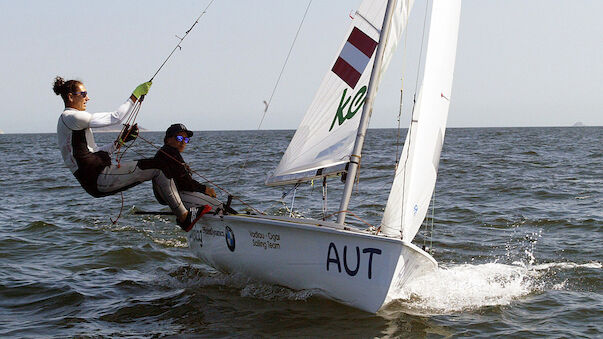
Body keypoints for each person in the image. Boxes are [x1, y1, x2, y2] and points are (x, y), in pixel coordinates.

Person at [54, 76, 206, 231]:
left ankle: (183, 210)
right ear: (70, 97)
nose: (88, 97)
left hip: (95, 180)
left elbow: (95, 153)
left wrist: (119, 142)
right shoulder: (71, 117)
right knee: (159, 168)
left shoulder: (69, 122)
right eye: (83, 93)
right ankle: (184, 217)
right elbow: (116, 118)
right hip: (99, 178)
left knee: (158, 168)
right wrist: (135, 94)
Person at [139, 124, 217, 206]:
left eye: (186, 139)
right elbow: (184, 183)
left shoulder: (168, 152)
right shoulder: (169, 153)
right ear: (168, 139)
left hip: (168, 196)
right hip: (173, 195)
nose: (183, 142)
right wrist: (205, 189)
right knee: (217, 205)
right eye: (179, 138)